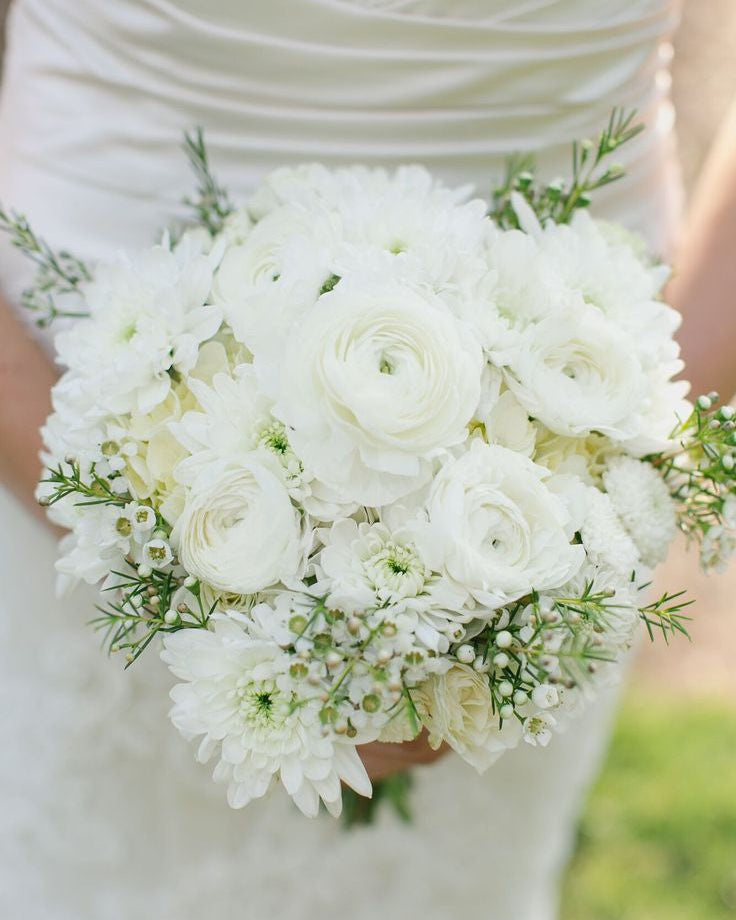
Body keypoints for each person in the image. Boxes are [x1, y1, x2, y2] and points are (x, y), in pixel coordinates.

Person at [0, 2, 733, 918]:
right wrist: (131, 528)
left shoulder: (569, 494)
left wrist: (622, 468)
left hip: (557, 422)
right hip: (72, 394)